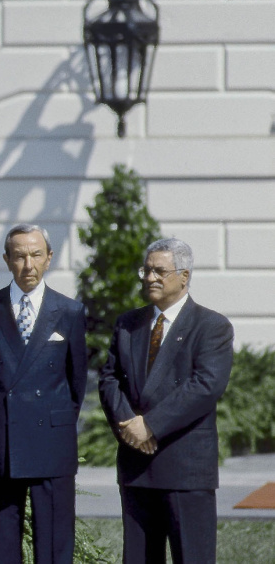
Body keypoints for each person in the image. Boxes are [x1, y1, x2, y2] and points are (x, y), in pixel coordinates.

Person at [99, 238, 233, 563]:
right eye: (146, 270)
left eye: (159, 271)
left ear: (184, 276)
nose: (149, 278)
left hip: (185, 467)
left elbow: (205, 386)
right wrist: (131, 428)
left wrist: (151, 425)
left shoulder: (211, 326)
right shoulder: (128, 324)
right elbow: (109, 378)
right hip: (136, 466)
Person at [0, 223, 87, 564]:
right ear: (6, 260)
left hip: (52, 438)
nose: (27, 265)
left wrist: (53, 420)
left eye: (36, 255)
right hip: (3, 439)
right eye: (19, 256)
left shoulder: (70, 311)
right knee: (0, 540)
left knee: (54, 543)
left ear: (49, 259)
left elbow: (75, 383)